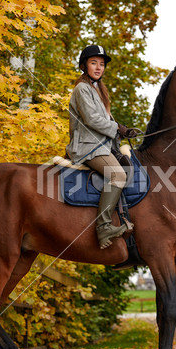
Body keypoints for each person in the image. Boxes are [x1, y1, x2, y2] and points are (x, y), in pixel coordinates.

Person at [66, 45, 136, 249]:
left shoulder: (99, 91)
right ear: (84, 65)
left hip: (101, 146)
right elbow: (91, 119)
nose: (98, 67)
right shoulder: (82, 89)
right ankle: (104, 226)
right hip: (88, 148)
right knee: (118, 176)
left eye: (101, 64)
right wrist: (117, 128)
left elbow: (104, 122)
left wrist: (123, 132)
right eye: (93, 63)